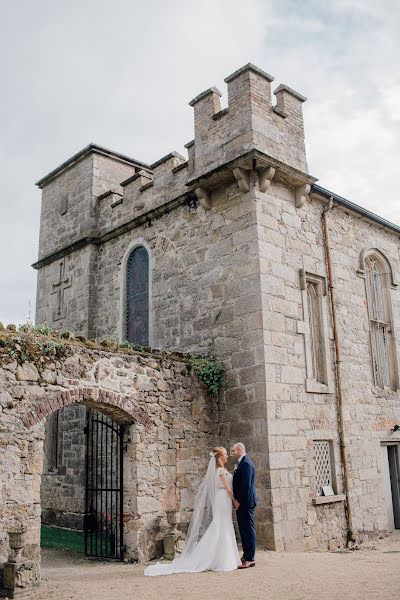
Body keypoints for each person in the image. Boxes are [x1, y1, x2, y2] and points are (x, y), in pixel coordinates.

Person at [144, 446, 241, 576]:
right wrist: (234, 501)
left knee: (223, 525)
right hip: (223, 500)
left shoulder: (217, 470)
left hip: (222, 500)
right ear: (219, 457)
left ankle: (223, 557)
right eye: (225, 454)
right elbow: (229, 489)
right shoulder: (221, 471)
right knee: (222, 525)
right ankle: (221, 559)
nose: (227, 456)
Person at [231, 442, 257, 569]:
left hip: (245, 502)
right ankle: (246, 555)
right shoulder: (242, 463)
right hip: (243, 502)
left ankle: (250, 558)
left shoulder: (246, 463)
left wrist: (238, 501)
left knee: (248, 530)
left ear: (240, 450)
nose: (232, 453)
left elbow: (245, 486)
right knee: (244, 529)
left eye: (234, 451)